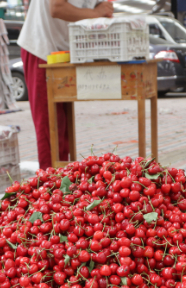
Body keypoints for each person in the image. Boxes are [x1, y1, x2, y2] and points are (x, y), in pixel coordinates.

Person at [18, 0, 114, 169]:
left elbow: (102, 11)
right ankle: (50, 183)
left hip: (66, 52)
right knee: (49, 126)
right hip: (41, 48)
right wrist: (96, 13)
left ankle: (62, 179)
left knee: (63, 128)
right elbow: (57, 7)